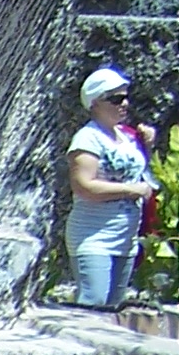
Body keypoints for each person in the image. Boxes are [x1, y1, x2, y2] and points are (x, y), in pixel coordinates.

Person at [66, 66, 154, 310]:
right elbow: (84, 186)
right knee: (93, 304)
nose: (124, 103)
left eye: (126, 97)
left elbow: (140, 176)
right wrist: (131, 190)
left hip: (125, 239)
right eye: (116, 99)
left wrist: (147, 147)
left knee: (113, 310)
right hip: (94, 237)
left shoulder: (127, 137)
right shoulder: (87, 138)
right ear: (95, 103)